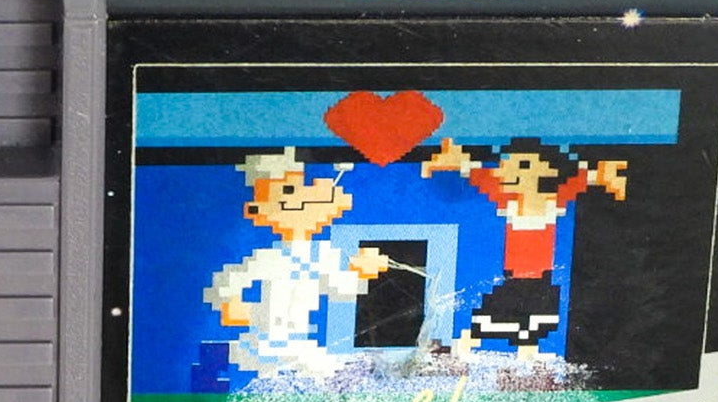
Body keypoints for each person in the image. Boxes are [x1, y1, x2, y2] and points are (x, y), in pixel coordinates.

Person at [422, 137, 628, 360]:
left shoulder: (552, 202)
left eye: (524, 166)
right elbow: (481, 177)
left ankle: (528, 351)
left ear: (548, 170)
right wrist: (458, 162)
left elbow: (582, 180)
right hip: (514, 276)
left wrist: (605, 175)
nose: (510, 172)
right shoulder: (508, 200)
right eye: (509, 165)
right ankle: (465, 343)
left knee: (535, 318)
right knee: (492, 315)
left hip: (541, 279)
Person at [205, 148, 388, 379]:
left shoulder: (323, 255)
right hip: (264, 343)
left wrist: (362, 271)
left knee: (331, 370)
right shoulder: (267, 258)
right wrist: (243, 309)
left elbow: (343, 289)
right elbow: (227, 286)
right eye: (287, 191)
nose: (298, 200)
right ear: (257, 210)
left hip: (299, 344)